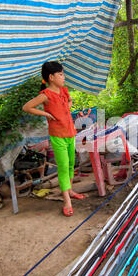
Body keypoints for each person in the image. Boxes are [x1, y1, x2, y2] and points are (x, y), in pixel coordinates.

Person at [23, 61, 85, 217]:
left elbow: (69, 101)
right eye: (61, 74)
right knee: (63, 167)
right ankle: (67, 202)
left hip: (71, 132)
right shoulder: (45, 95)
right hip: (57, 136)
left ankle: (70, 190)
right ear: (51, 77)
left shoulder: (64, 90)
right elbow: (27, 107)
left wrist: (68, 106)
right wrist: (46, 114)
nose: (64, 77)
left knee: (71, 163)